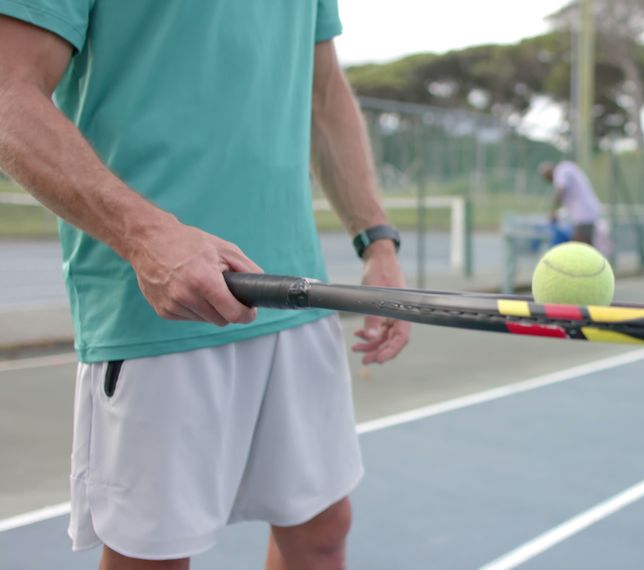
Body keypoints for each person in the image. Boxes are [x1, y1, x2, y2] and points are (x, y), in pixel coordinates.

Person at [0, 2, 409, 568]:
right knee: (156, 557)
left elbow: (325, 92)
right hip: (158, 307)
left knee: (322, 533)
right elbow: (8, 91)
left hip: (294, 288)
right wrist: (148, 238)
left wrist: (378, 243)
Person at [539, 160, 603, 245]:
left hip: (585, 214)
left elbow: (561, 190)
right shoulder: (566, 170)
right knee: (585, 246)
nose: (549, 180)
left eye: (547, 177)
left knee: (579, 246)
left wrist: (552, 209)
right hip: (585, 214)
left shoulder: (562, 170)